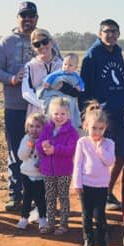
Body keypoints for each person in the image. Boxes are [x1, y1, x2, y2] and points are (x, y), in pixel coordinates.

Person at [0, 1, 39, 212]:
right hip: (15, 106)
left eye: (31, 15)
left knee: (38, 149)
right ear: (17, 18)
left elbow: (59, 64)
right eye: (23, 15)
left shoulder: (44, 39)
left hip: (38, 108)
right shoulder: (6, 42)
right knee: (15, 150)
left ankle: (37, 194)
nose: (27, 19)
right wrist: (11, 78)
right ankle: (15, 193)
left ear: (36, 18)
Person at [80, 19, 124, 209]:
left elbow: (121, 79)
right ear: (100, 34)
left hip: (118, 112)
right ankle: (94, 195)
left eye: (114, 31)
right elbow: (85, 87)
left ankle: (107, 191)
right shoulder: (92, 55)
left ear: (119, 34)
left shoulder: (118, 52)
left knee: (121, 154)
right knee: (98, 157)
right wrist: (88, 113)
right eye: (107, 31)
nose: (110, 35)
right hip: (101, 115)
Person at [72, 104, 116, 246]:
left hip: (101, 186)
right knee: (87, 214)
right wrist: (77, 183)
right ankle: (88, 241)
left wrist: (101, 149)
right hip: (85, 185)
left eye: (100, 129)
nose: (97, 132)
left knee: (100, 215)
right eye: (94, 128)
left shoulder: (109, 144)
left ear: (105, 128)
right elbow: (78, 164)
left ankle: (102, 242)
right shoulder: (82, 142)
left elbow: (110, 161)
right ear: (86, 126)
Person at [37, 97, 79, 235]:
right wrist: (43, 146)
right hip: (48, 170)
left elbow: (71, 149)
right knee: (49, 197)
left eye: (62, 114)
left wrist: (55, 149)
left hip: (64, 171)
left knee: (63, 197)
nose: (59, 117)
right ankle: (50, 223)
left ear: (68, 114)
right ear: (50, 114)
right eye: (56, 113)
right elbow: (39, 145)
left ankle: (63, 224)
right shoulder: (47, 129)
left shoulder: (71, 131)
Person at [16, 112, 48, 232]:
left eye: (38, 126)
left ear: (44, 127)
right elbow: (21, 156)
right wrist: (29, 146)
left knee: (40, 198)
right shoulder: (26, 139)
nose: (34, 129)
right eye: (31, 126)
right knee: (27, 197)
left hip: (40, 175)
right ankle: (24, 218)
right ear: (27, 127)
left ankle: (42, 218)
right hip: (27, 173)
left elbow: (48, 156)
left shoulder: (46, 140)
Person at [21, 29, 63, 117]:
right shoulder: (29, 66)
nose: (42, 46)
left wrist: (56, 106)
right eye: (37, 44)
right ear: (33, 47)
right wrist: (44, 104)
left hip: (60, 115)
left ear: (51, 42)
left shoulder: (62, 66)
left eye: (45, 42)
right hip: (37, 115)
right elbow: (26, 92)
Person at [39, 52, 85, 128]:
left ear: (75, 68)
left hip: (69, 99)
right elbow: (51, 76)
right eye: (65, 64)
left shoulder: (75, 75)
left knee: (71, 112)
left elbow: (81, 82)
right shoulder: (59, 73)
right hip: (57, 96)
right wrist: (47, 82)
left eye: (70, 65)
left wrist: (80, 87)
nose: (67, 67)